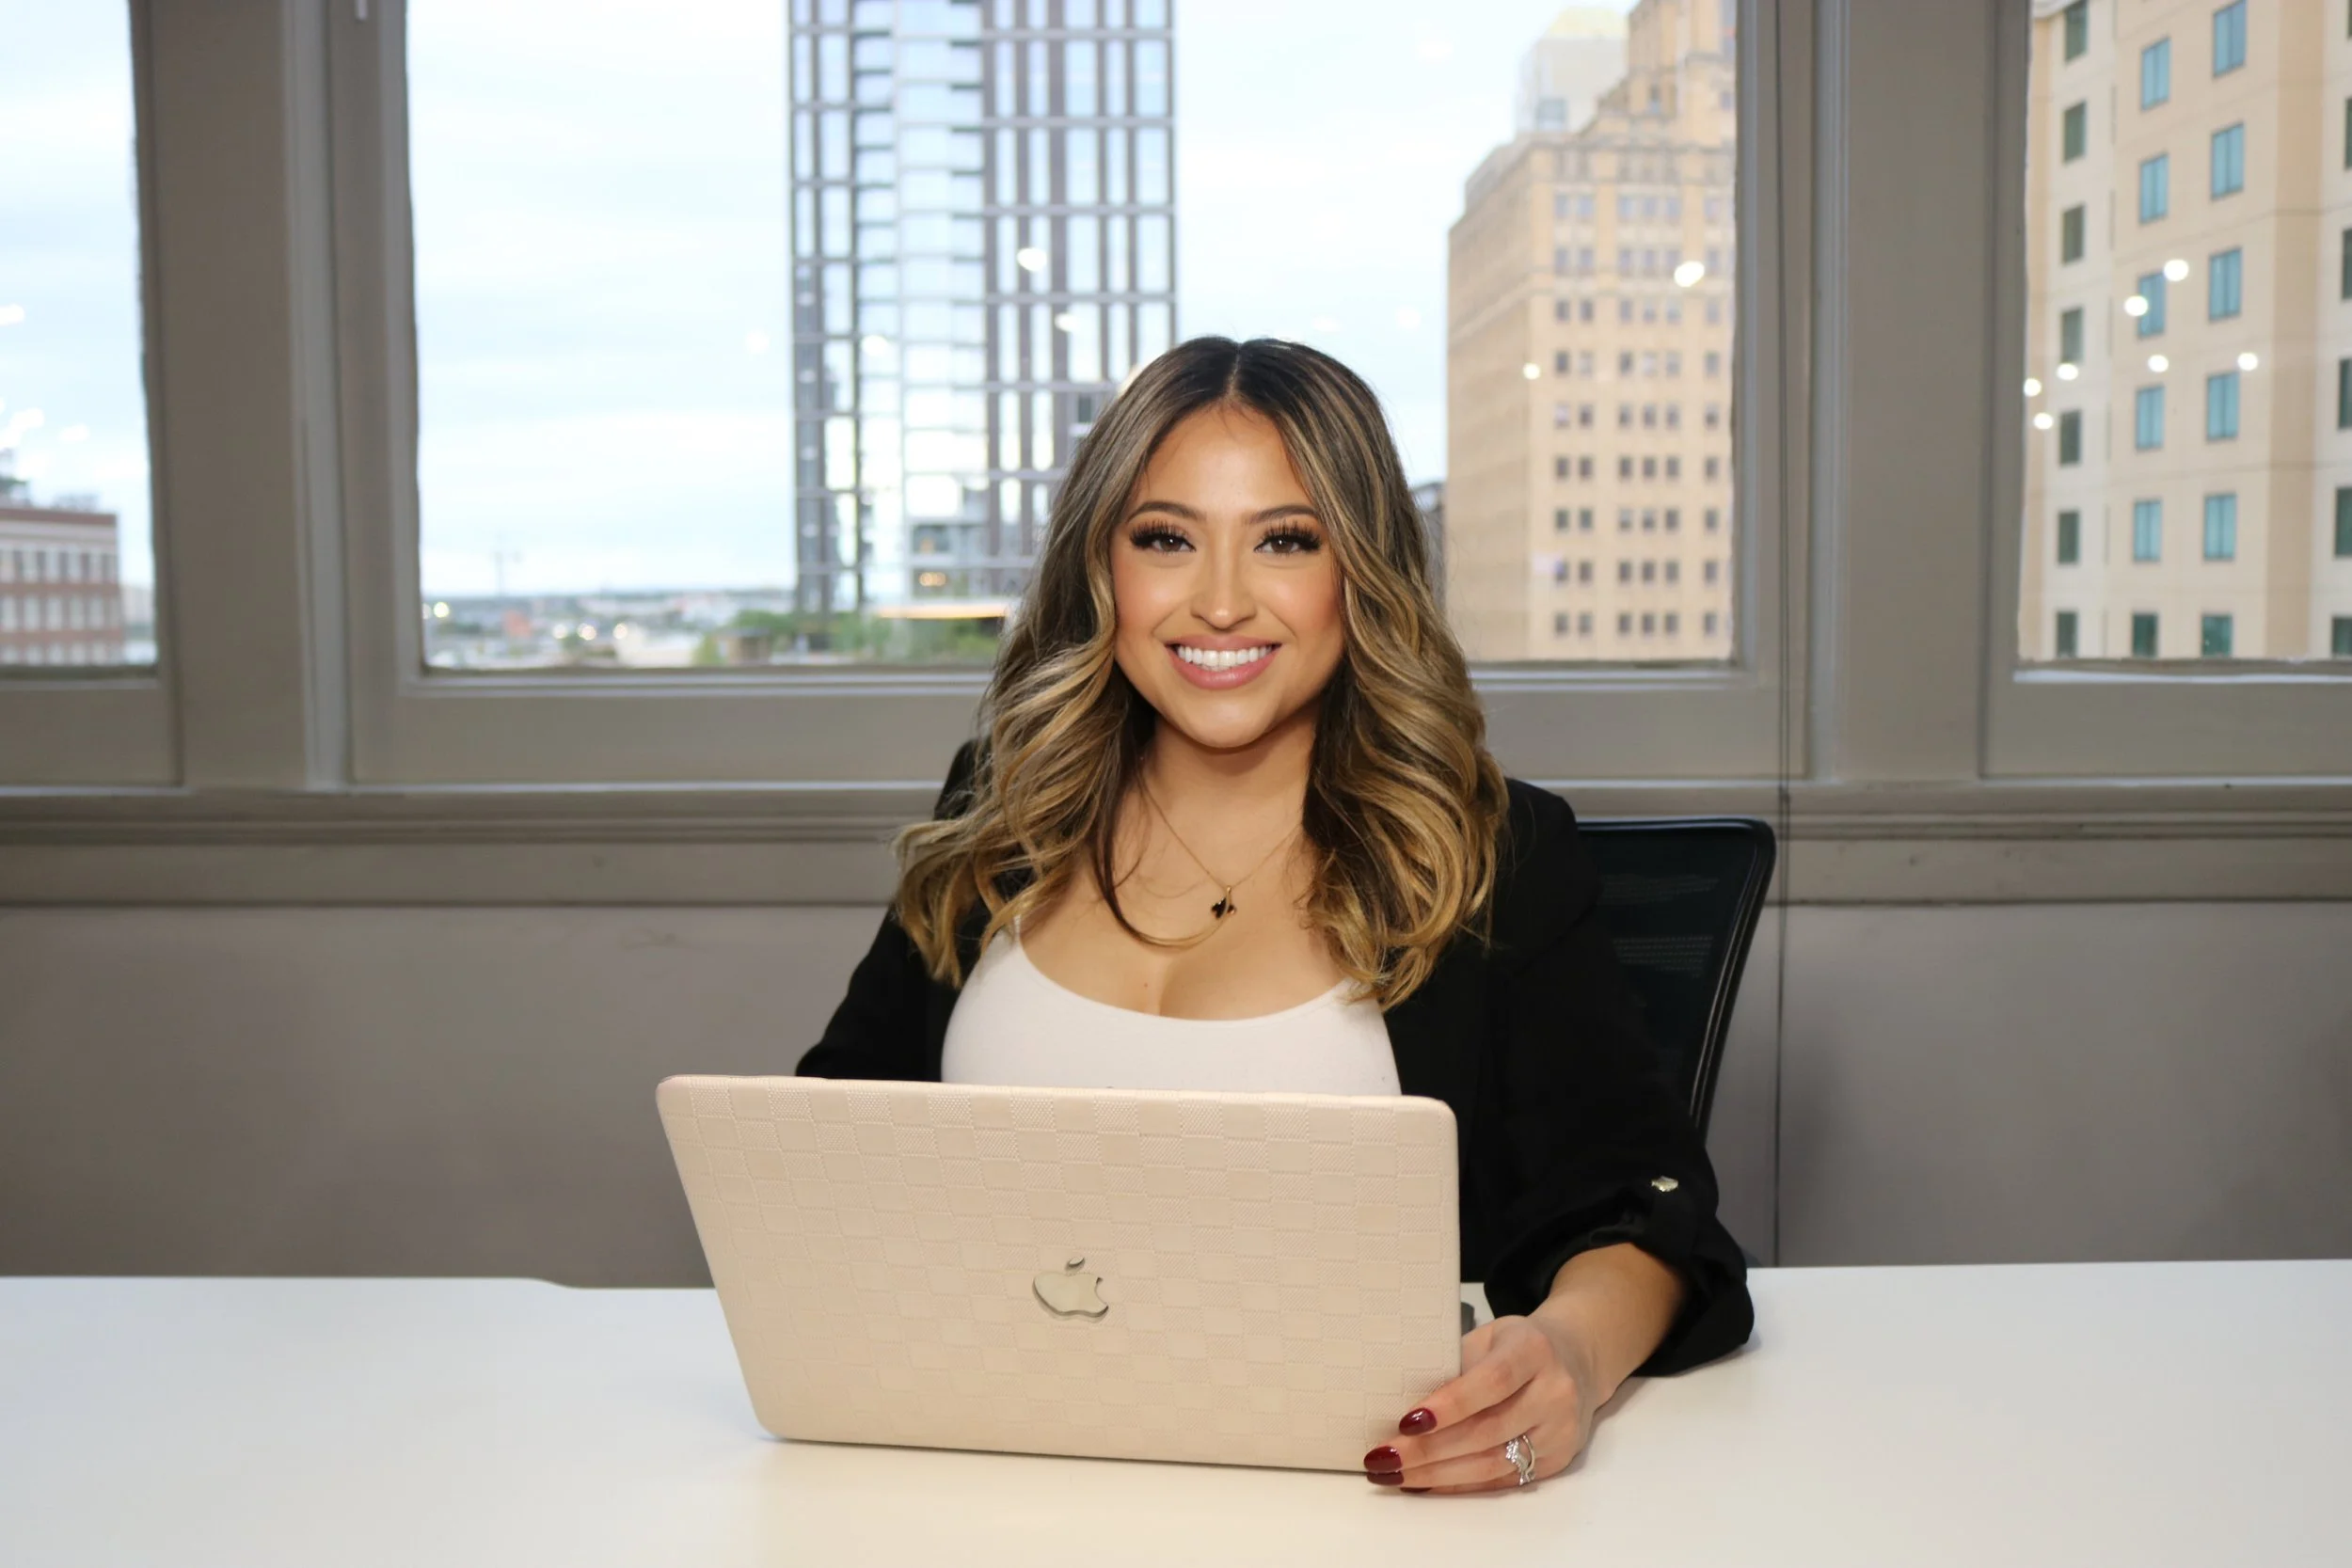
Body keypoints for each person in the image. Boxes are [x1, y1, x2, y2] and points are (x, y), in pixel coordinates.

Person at [798, 335, 1753, 1494]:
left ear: (1362, 568)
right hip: (993, 1471)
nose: (1218, 598)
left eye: (1285, 540)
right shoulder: (1000, 813)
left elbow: (1645, 1207)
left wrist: (1567, 1349)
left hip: (1358, 1493)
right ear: (1102, 566)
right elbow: (820, 1152)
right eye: (1165, 537)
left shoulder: (1488, 849)